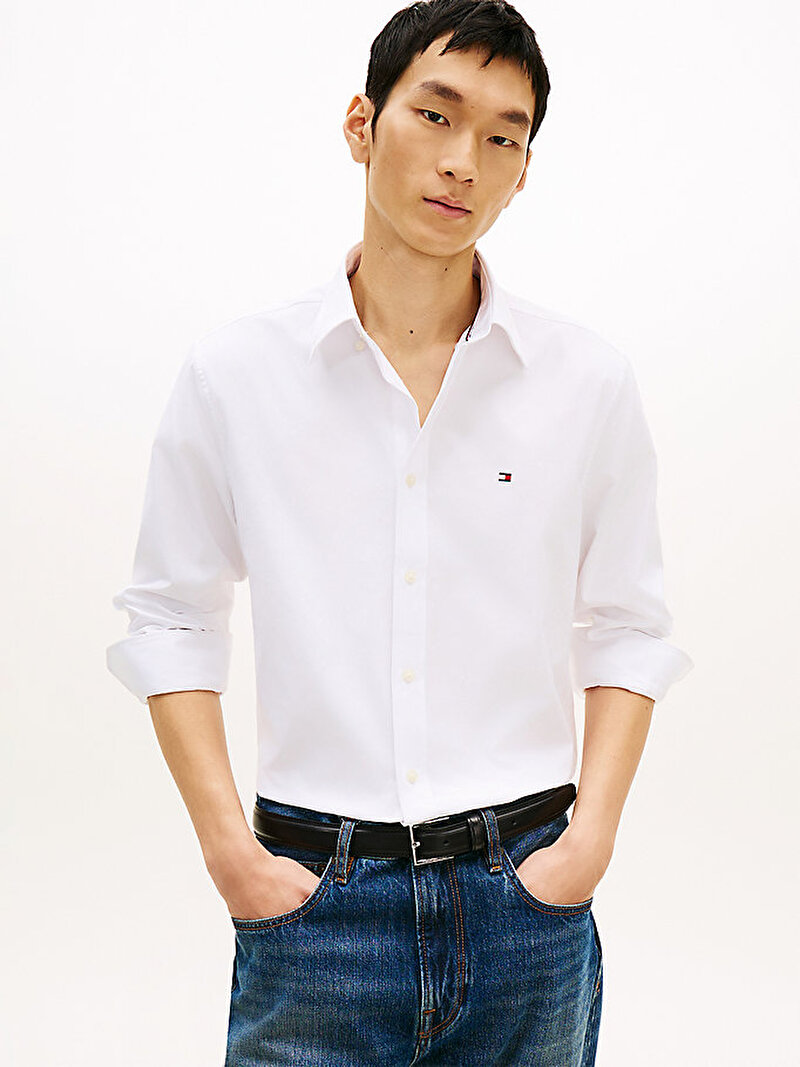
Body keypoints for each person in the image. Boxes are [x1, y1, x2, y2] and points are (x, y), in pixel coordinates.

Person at [106, 1, 694, 1063]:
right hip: (311, 900)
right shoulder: (237, 375)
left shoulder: (585, 382)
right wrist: (232, 855)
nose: (463, 159)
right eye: (435, 113)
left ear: (524, 171)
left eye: (503, 136)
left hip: (526, 900)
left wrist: (587, 844)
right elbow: (170, 619)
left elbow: (626, 624)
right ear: (360, 124)